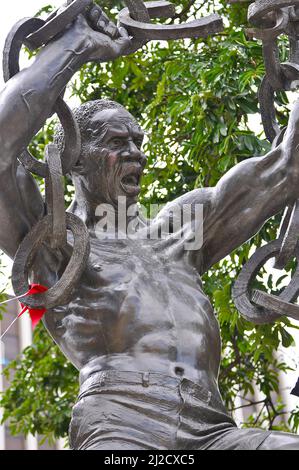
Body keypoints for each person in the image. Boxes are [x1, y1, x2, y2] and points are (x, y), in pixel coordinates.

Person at [0, 4, 299, 450]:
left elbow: (285, 168)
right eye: (118, 143)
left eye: (139, 142)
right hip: (120, 420)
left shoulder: (181, 230)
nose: (137, 154)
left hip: (215, 428)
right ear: (75, 159)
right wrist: (73, 46)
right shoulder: (53, 243)